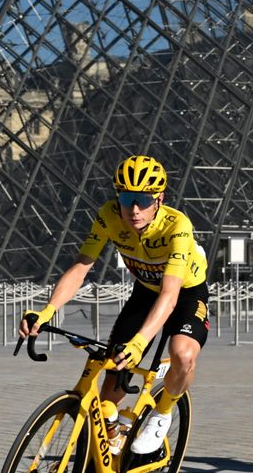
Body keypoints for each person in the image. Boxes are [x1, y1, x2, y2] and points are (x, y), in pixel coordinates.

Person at [19, 155, 209, 454]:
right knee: (109, 393)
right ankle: (111, 443)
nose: (134, 210)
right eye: (126, 199)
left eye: (143, 200)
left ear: (159, 200)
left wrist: (139, 343)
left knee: (182, 354)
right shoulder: (108, 215)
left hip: (185, 293)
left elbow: (170, 295)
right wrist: (47, 311)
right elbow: (81, 267)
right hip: (145, 292)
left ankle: (162, 413)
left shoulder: (177, 226)